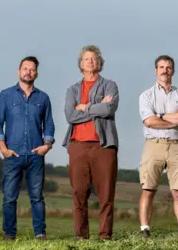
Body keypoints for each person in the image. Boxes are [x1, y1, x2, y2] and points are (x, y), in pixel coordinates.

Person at [0, 56, 55, 240]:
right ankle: (9, 234)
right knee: (9, 197)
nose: (28, 71)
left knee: (37, 197)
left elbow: (49, 124)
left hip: (36, 154)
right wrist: (3, 149)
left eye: (32, 69)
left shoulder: (43, 98)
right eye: (25, 68)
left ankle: (40, 234)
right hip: (13, 154)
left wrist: (47, 145)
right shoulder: (5, 95)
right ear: (18, 71)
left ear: (36, 73)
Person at [62, 45, 119, 240]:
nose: (90, 61)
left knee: (106, 194)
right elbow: (70, 115)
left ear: (100, 63)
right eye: (86, 59)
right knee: (79, 193)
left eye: (94, 59)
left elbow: (108, 110)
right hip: (77, 145)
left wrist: (84, 107)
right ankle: (81, 236)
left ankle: (104, 236)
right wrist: (97, 106)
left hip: (103, 146)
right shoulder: (72, 89)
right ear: (81, 64)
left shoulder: (110, 85)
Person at [138, 55, 178, 238]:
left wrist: (160, 115)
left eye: (168, 67)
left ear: (173, 71)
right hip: (154, 144)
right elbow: (149, 121)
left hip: (176, 146)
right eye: (161, 67)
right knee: (148, 189)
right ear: (156, 70)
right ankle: (145, 229)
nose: (164, 70)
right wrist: (172, 119)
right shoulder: (146, 95)